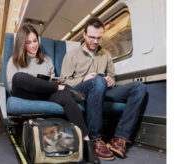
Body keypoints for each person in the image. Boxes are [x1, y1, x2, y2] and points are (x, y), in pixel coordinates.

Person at [6, 24, 100, 163]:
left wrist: (54, 84)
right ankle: (64, 88)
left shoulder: (47, 60)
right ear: (22, 44)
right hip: (25, 93)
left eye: (35, 40)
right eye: (28, 42)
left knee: (66, 98)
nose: (33, 45)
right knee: (19, 77)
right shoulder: (14, 60)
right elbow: (12, 84)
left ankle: (86, 141)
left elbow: (51, 80)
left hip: (46, 92)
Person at [61, 17, 147, 160]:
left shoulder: (106, 54)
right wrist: (84, 79)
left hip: (102, 90)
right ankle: (96, 139)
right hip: (80, 91)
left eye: (99, 38)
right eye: (91, 37)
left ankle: (119, 138)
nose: (95, 41)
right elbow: (64, 82)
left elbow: (112, 76)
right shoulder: (71, 56)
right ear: (84, 35)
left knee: (139, 87)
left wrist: (110, 80)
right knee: (98, 82)